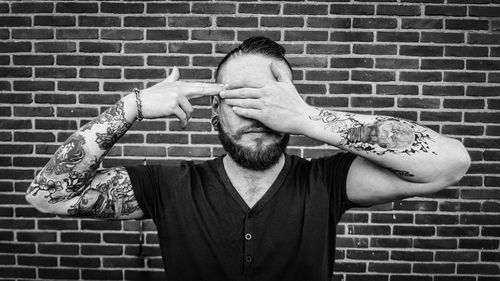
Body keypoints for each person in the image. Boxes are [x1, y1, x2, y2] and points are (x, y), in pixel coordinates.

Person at [25, 37, 470, 281]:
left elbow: (450, 163)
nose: (257, 114)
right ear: (214, 113)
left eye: (270, 99)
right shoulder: (168, 186)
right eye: (240, 99)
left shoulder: (328, 181)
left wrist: (309, 118)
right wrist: (132, 106)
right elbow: (47, 195)